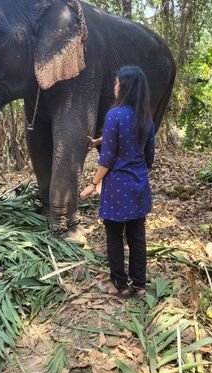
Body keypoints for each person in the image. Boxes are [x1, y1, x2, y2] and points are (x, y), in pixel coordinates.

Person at [80, 66, 155, 299]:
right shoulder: (145, 116)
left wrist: (93, 183)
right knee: (137, 236)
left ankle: (119, 285)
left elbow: (108, 157)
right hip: (139, 184)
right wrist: (100, 141)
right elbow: (148, 155)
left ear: (124, 87)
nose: (114, 86)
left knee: (113, 235)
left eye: (116, 83)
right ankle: (140, 286)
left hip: (117, 187)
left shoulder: (115, 114)